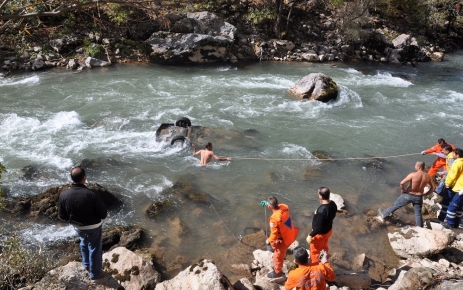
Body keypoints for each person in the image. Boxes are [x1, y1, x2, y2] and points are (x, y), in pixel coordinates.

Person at [58, 166, 107, 280]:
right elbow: (103, 214)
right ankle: (95, 274)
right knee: (94, 248)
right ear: (84, 178)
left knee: (84, 242)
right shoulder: (92, 193)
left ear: (72, 178)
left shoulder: (63, 195)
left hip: (78, 226)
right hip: (93, 226)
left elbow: (63, 216)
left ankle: (86, 264)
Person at [378, 161, 436, 227]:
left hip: (409, 195)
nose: (415, 167)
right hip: (418, 197)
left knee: (396, 205)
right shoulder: (428, 176)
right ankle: (419, 227)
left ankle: (384, 213)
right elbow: (433, 188)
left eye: (415, 166)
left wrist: (403, 190)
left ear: (419, 167)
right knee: (418, 213)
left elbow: (402, 183)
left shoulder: (413, 174)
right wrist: (425, 194)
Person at [260, 196, 299, 278]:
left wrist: (268, 240)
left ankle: (277, 272)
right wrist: (268, 204)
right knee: (274, 247)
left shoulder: (274, 219)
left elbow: (274, 235)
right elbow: (277, 208)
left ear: (271, 206)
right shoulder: (284, 207)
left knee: (277, 257)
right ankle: (274, 249)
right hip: (291, 233)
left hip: (284, 240)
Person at [306, 187, 337, 263]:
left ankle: (316, 266)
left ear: (321, 196)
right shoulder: (333, 204)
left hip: (320, 234)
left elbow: (318, 228)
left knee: (314, 251)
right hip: (328, 231)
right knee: (324, 246)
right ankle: (325, 259)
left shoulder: (321, 210)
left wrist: (311, 235)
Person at [442, 148, 463, 228]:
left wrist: (447, 184)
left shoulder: (457, 163)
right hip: (459, 187)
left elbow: (452, 175)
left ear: (457, 155)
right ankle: (456, 223)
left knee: (452, 206)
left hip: (459, 189)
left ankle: (449, 224)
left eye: (453, 153)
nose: (452, 155)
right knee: (459, 208)